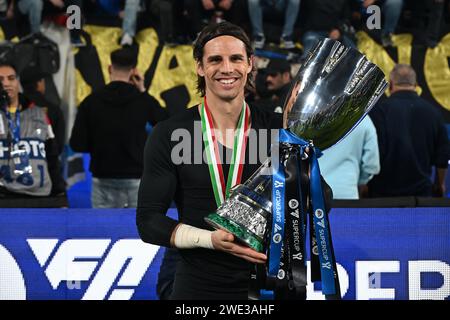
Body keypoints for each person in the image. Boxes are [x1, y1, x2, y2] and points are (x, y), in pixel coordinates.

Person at [136, 21, 282, 299]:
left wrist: (304, 162)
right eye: (215, 59)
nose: (227, 68)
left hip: (267, 284)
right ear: (200, 67)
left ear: (250, 64)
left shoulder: (278, 131)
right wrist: (211, 241)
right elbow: (148, 220)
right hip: (198, 285)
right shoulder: (170, 133)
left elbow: (321, 198)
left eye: (236, 58)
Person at [70, 47, 168, 208]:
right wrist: (143, 90)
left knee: (103, 230)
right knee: (134, 231)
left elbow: (77, 143)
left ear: (109, 68)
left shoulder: (91, 102)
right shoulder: (142, 101)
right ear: (134, 71)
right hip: (135, 179)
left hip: (102, 178)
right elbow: (165, 123)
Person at [368, 64, 450, 197]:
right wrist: (440, 185)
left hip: (382, 197)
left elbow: (370, 156)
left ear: (390, 85)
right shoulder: (434, 114)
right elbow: (442, 156)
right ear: (416, 85)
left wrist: (365, 186)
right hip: (421, 196)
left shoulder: (378, 112)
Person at [0, 61, 57, 198]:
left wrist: (59, 194)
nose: (6, 83)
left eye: (11, 78)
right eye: (0, 80)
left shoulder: (39, 113)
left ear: (18, 81)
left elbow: (52, 154)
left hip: (39, 196)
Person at [20, 65, 66, 196]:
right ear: (39, 83)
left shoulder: (13, 110)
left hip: (17, 175)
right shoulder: (54, 110)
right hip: (47, 176)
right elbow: (59, 145)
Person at [318, 116, 380, 199]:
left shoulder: (309, 118)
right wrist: (360, 181)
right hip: (347, 194)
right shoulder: (363, 119)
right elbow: (371, 166)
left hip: (314, 196)